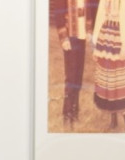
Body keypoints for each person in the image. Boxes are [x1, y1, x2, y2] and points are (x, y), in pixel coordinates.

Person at [91, 0, 125, 132]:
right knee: (108, 77)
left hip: (118, 38)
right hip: (105, 37)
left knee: (120, 79)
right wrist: (95, 44)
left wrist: (123, 46)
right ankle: (113, 120)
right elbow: (99, 18)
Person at [52, 0, 92, 130]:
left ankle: (75, 111)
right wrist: (63, 38)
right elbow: (58, 14)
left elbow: (89, 9)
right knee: (71, 76)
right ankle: (67, 114)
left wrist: (89, 29)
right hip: (70, 37)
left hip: (81, 37)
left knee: (78, 77)